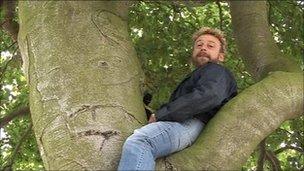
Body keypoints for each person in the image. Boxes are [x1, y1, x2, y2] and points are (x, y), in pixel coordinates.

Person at [118, 27, 238, 170]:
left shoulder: (217, 71)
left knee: (140, 142)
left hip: (189, 123)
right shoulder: (201, 74)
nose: (203, 48)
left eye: (210, 46)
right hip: (187, 125)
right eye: (199, 45)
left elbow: (208, 95)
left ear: (221, 56)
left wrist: (161, 114)